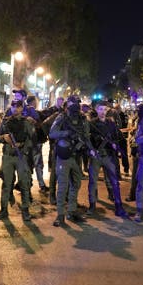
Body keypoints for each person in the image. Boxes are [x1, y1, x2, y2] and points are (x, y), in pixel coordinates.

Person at [49, 95, 91, 226]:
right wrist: (66, 133)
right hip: (64, 157)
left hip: (76, 156)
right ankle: (60, 215)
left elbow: (86, 135)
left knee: (76, 184)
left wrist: (90, 149)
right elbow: (52, 133)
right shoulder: (62, 117)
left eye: (78, 103)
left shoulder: (83, 119)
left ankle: (71, 211)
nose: (76, 106)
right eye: (74, 103)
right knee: (62, 186)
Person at [0, 99, 35, 221]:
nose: (16, 108)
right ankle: (3, 210)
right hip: (8, 156)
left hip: (21, 156)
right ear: (11, 107)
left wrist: (23, 147)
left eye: (18, 106)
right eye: (13, 106)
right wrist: (4, 138)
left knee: (24, 184)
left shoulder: (26, 122)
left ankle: (25, 210)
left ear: (22, 108)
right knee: (6, 184)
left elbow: (31, 139)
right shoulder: (5, 122)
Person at [86, 100, 129, 218]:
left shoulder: (111, 124)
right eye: (100, 109)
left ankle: (118, 205)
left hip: (109, 156)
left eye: (105, 109)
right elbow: (86, 140)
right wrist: (90, 150)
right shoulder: (91, 124)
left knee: (114, 181)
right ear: (96, 110)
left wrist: (115, 145)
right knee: (93, 181)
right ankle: (92, 205)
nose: (103, 112)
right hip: (96, 156)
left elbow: (118, 137)